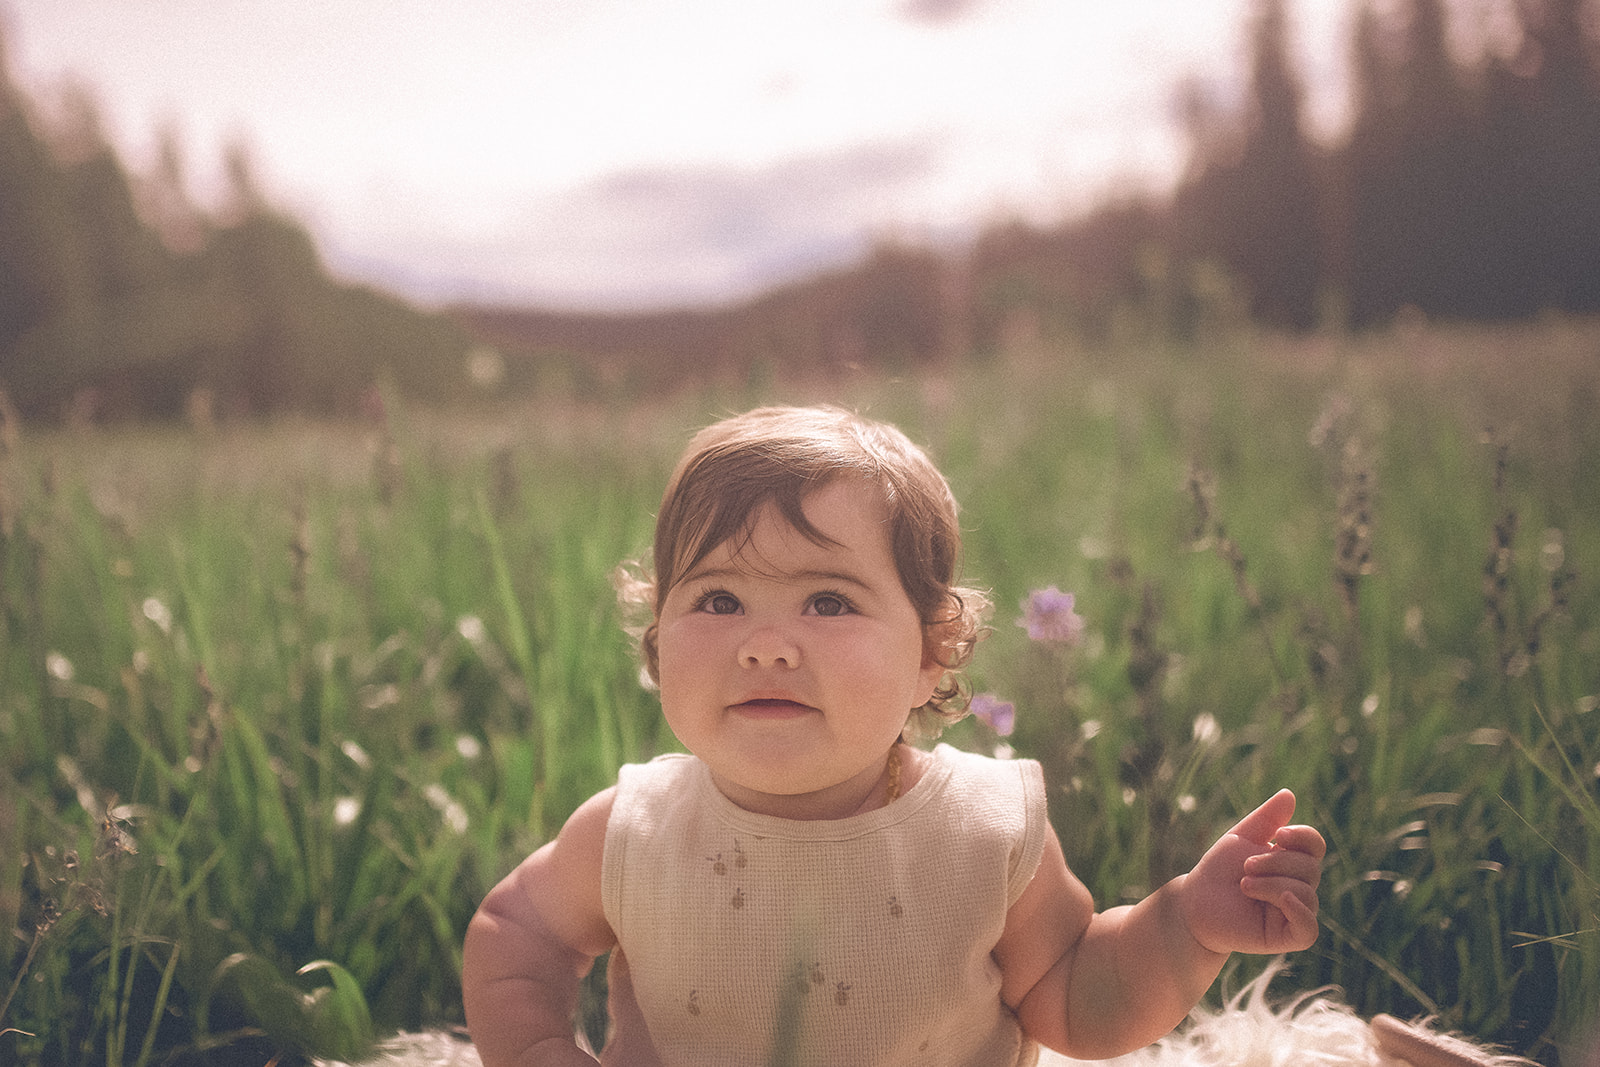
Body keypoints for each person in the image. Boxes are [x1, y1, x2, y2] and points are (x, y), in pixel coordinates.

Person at [462, 405, 1326, 1066]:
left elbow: (1074, 994)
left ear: (931, 654)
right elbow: (517, 932)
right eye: (718, 600)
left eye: (828, 600)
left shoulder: (982, 832)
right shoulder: (634, 830)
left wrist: (1188, 926)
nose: (765, 641)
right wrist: (541, 1052)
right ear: (658, 641)